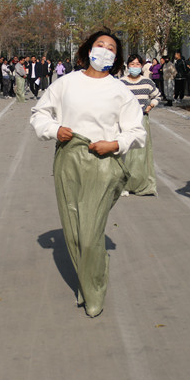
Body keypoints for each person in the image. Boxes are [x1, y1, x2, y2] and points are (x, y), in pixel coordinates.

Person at [30, 29, 146, 318]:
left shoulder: (121, 91)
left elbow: (136, 131)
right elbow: (39, 114)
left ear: (116, 57)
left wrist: (115, 144)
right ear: (88, 49)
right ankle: (87, 281)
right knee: (72, 230)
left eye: (111, 48)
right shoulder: (65, 83)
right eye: (100, 45)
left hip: (102, 161)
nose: (105, 50)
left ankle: (94, 291)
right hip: (68, 159)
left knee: (90, 234)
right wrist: (54, 129)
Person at [119, 54, 161, 196]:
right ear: (127, 65)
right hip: (126, 120)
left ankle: (143, 184)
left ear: (141, 66)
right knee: (126, 152)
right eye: (132, 64)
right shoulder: (121, 83)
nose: (135, 67)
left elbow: (157, 96)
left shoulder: (147, 82)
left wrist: (150, 107)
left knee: (142, 153)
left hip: (142, 119)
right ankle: (123, 185)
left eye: (137, 64)